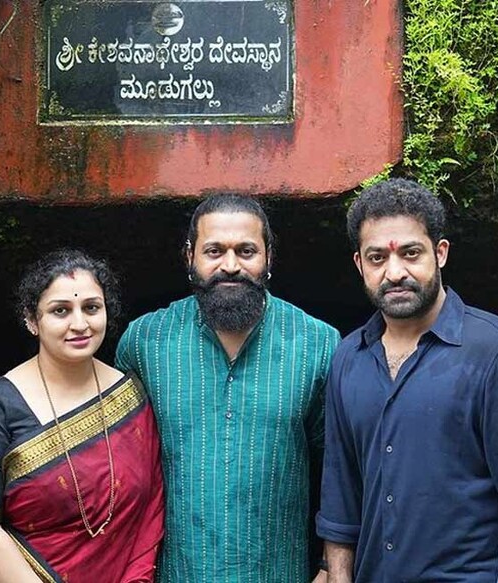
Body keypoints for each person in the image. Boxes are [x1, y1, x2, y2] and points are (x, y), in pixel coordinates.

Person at [317, 178, 498, 583]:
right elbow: (341, 498)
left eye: (411, 253)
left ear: (441, 253)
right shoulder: (349, 358)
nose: (394, 272)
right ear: (359, 265)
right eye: (377, 257)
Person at [115, 194, 340, 582]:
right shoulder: (145, 341)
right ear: (190, 257)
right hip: (176, 573)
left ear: (269, 257)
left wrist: (329, 566)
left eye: (246, 251)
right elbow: (113, 469)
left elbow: (344, 467)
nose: (230, 266)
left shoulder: (318, 344)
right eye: (214, 251)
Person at [0, 249, 164, 583]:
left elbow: (151, 509)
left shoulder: (130, 397)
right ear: (32, 321)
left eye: (91, 308)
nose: (79, 324)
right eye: (60, 311)